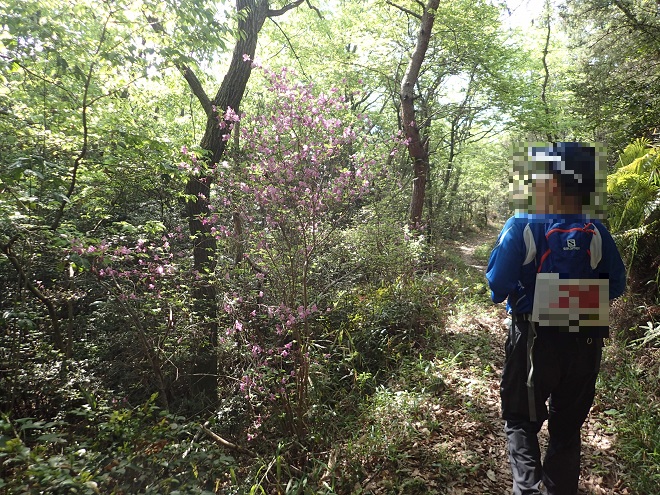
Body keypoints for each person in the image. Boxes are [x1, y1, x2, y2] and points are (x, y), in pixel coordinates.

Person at [486, 142, 626, 495]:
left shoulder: (522, 224)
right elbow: (618, 285)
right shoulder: (595, 229)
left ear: (550, 183)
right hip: (586, 339)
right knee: (566, 430)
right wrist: (578, 301)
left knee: (521, 421)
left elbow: (498, 286)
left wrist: (520, 294)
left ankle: (528, 490)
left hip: (533, 339)